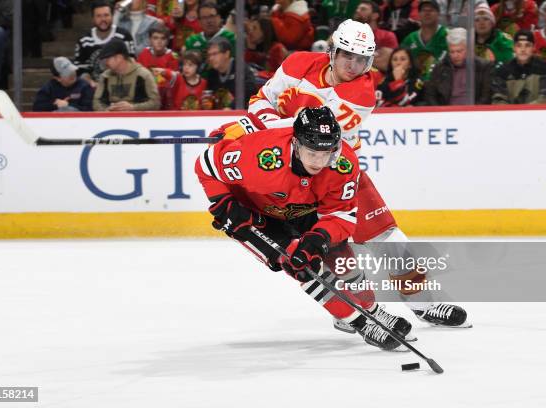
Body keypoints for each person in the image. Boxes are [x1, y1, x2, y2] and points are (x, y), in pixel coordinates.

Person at [217, 19, 470, 340]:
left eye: (362, 60)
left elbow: (308, 132)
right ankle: (354, 311)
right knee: (334, 251)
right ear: (332, 52)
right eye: (348, 56)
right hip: (290, 175)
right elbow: (263, 99)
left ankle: (421, 302)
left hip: (336, 172)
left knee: (390, 241)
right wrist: (259, 119)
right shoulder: (297, 64)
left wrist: (255, 127)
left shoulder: (361, 93)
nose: (354, 66)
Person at [196, 107, 407, 351]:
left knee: (338, 253)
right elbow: (205, 164)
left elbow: (340, 214)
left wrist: (319, 238)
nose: (320, 161)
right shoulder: (260, 158)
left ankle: (373, 311)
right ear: (295, 144)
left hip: (304, 206)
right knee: (302, 266)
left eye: (327, 152)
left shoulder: (343, 164)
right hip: (255, 213)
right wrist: (223, 203)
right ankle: (362, 324)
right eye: (312, 153)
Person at [425, 27, 492, 105]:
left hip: (473, 113)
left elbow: (486, 97)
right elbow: (430, 95)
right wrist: (440, 112)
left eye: (459, 51)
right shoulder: (440, 67)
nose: (455, 55)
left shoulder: (484, 66)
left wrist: (473, 112)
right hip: (446, 113)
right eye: (452, 52)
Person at [74, 0, 135, 85]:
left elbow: (131, 63)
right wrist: (91, 83)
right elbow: (80, 69)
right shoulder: (84, 40)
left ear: (112, 16)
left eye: (106, 15)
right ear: (93, 18)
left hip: (120, 85)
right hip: (92, 88)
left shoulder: (123, 36)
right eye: (98, 16)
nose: (103, 19)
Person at [93, 39, 161, 111]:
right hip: (111, 120)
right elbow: (96, 102)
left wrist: (133, 107)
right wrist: (107, 110)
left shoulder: (143, 75)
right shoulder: (105, 77)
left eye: (107, 59)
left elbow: (156, 103)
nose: (106, 63)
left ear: (119, 58)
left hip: (137, 120)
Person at [491, 30, 546, 104]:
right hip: (509, 115)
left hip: (537, 114)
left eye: (527, 45)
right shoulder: (503, 71)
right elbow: (498, 99)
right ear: (514, 48)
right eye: (519, 45)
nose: (523, 49)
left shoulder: (544, 68)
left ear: (533, 48)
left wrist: (524, 112)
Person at [401, 0, 449, 81]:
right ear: (419, 14)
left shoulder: (448, 35)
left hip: (440, 85)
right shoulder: (410, 39)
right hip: (414, 85)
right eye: (424, 10)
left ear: (438, 14)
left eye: (431, 10)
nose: (427, 13)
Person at [205, 37, 256, 109]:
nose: (211, 58)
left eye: (214, 54)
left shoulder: (240, 69)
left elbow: (250, 91)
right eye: (209, 55)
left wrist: (232, 107)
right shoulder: (212, 74)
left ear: (226, 54)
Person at [474, 3, 515, 68]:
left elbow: (510, 64)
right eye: (477, 20)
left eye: (486, 19)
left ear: (492, 23)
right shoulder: (467, 41)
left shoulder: (503, 40)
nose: (481, 23)